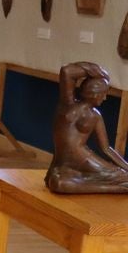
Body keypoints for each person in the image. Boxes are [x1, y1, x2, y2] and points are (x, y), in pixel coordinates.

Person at [45, 61, 128, 193]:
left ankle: (101, 184)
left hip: (85, 159)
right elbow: (67, 71)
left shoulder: (95, 115)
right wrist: (96, 69)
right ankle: (114, 187)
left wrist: (126, 166)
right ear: (95, 94)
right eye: (103, 94)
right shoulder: (67, 105)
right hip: (68, 161)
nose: (105, 98)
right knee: (59, 184)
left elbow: (106, 148)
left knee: (124, 176)